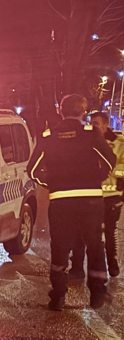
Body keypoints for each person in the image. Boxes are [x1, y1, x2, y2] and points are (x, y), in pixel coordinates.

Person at [27, 94, 116, 310]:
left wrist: (51, 182)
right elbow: (110, 160)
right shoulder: (90, 134)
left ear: (60, 111)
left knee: (60, 248)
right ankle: (97, 292)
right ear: (83, 111)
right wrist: (97, 177)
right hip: (90, 201)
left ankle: (58, 295)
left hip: (61, 202)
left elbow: (33, 170)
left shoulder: (49, 137)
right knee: (94, 245)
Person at [70, 111, 124, 278]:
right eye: (90, 123)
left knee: (109, 231)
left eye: (96, 124)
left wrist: (119, 182)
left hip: (111, 195)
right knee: (81, 232)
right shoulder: (87, 140)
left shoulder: (119, 143)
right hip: (90, 193)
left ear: (106, 125)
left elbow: (120, 165)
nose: (92, 127)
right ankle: (77, 267)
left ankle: (112, 264)